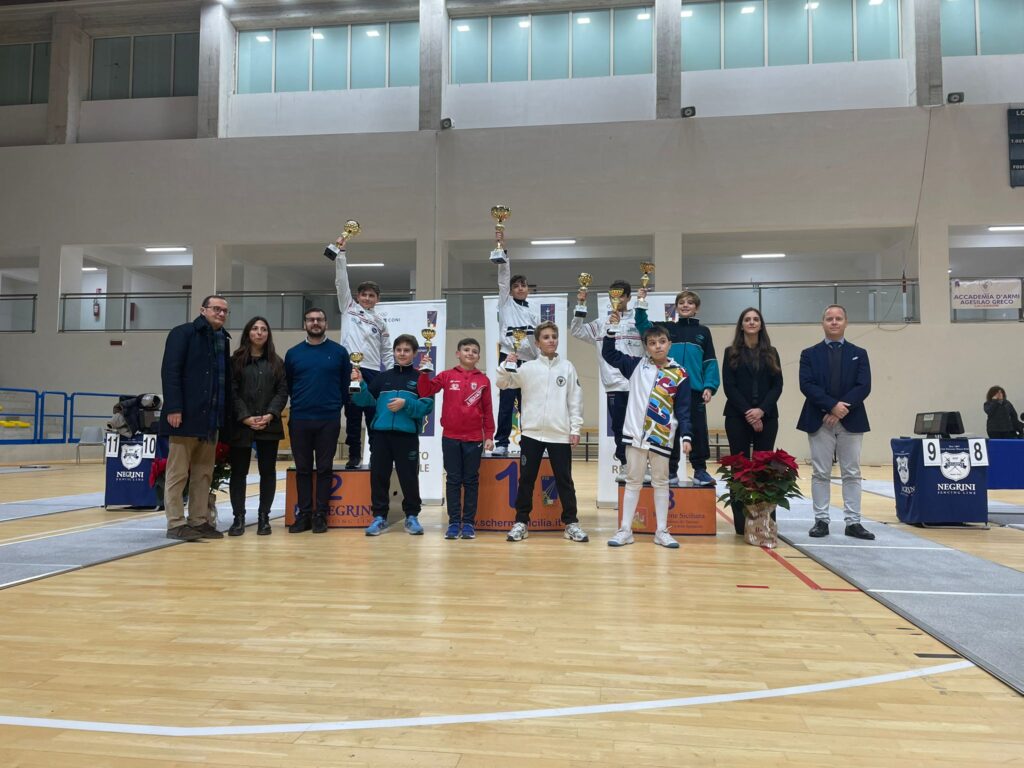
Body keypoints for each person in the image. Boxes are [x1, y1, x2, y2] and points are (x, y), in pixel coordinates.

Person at [602, 320, 692, 549]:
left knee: (661, 482)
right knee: (633, 482)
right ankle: (625, 530)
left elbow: (683, 409)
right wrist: (611, 331)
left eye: (662, 341)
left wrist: (686, 435)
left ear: (669, 344)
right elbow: (609, 354)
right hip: (635, 437)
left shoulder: (680, 374)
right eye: (652, 343)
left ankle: (661, 531)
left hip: (661, 437)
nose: (658, 346)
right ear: (646, 346)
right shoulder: (635, 366)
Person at [497, 321, 588, 543]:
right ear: (537, 343)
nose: (551, 340)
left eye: (554, 337)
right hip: (531, 435)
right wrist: (505, 365)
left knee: (565, 480)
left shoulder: (567, 367)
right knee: (526, 480)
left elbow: (575, 400)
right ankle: (521, 522)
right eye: (546, 337)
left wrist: (575, 428)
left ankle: (571, 523)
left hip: (560, 434)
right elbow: (503, 383)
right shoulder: (527, 368)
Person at [159, 295, 233, 541]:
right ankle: (175, 523)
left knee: (203, 473)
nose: (221, 313)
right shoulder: (183, 333)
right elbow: (171, 371)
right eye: (216, 309)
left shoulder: (223, 339)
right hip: (184, 417)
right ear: (203, 310)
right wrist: (174, 408)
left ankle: (199, 520)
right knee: (178, 473)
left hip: (211, 420)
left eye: (224, 311)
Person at [797, 304, 874, 540]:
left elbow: (864, 385)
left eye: (838, 318)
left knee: (852, 472)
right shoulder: (809, 354)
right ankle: (821, 520)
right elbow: (806, 384)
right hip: (819, 418)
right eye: (829, 318)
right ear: (822, 323)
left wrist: (841, 409)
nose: (834, 322)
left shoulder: (859, 353)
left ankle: (853, 522)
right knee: (821, 472)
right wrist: (831, 406)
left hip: (852, 419)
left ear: (845, 322)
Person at [635, 289, 719, 487]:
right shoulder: (666, 328)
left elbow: (710, 361)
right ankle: (670, 471)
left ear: (696, 308)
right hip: (668, 390)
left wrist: (709, 386)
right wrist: (641, 302)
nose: (685, 305)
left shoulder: (703, 332)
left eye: (690, 302)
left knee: (698, 430)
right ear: (676, 307)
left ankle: (700, 470)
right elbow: (642, 326)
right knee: (669, 429)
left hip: (694, 390)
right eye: (681, 302)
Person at [352, 334, 434, 537]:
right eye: (399, 350)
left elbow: (427, 406)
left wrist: (406, 404)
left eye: (407, 350)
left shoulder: (420, 378)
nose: (402, 354)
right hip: (381, 436)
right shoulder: (383, 377)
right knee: (379, 476)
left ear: (414, 354)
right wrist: (360, 385)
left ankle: (412, 516)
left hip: (406, 437)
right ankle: (379, 517)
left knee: (409, 477)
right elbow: (364, 401)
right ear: (394, 352)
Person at [417, 338, 495, 540]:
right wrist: (424, 373)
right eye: (466, 349)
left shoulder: (484, 380)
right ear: (458, 354)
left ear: (478, 357)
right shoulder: (446, 375)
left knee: (471, 480)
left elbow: (488, 410)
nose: (470, 353)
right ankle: (453, 523)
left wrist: (489, 435)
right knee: (453, 480)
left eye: (474, 351)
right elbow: (425, 391)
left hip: (474, 438)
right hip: (450, 437)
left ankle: (468, 523)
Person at [327, 233, 393, 469]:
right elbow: (341, 282)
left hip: (373, 372)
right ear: (357, 296)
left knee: (374, 415)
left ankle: (376, 456)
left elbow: (387, 351)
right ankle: (354, 456)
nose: (367, 298)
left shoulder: (381, 322)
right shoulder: (348, 308)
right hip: (351, 369)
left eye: (371, 295)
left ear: (377, 299)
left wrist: (392, 374)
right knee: (353, 416)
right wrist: (341, 254)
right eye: (363, 294)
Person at [284, 307, 352, 534]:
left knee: (324, 468)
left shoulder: (339, 352)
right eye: (311, 319)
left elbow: (345, 385)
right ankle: (304, 515)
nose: (315, 323)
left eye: (319, 319)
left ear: (326, 323)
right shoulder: (293, 354)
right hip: (300, 419)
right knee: (302, 469)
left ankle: (320, 515)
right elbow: (289, 385)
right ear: (305, 324)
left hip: (328, 420)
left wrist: (334, 407)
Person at [570, 279, 642, 480]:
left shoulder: (639, 322)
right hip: (614, 385)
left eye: (621, 295)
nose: (616, 299)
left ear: (628, 297)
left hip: (638, 384)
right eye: (613, 295)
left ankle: (642, 465)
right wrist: (581, 304)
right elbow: (576, 331)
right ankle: (625, 464)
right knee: (619, 428)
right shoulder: (601, 323)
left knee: (640, 427)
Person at [722, 308, 784, 535]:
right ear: (741, 325)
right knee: (739, 468)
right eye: (747, 319)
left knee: (764, 469)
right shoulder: (730, 352)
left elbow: (778, 386)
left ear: (761, 324)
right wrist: (749, 412)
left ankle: (765, 520)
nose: (751, 322)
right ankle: (741, 523)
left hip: (767, 416)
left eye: (755, 319)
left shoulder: (772, 352)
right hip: (737, 416)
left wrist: (761, 411)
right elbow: (729, 386)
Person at [227, 316, 288, 537]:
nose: (259, 332)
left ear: (268, 334)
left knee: (268, 473)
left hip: (268, 425)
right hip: (241, 425)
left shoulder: (277, 362)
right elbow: (231, 392)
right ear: (248, 333)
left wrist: (270, 414)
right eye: (255, 328)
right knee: (238, 473)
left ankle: (264, 518)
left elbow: (282, 392)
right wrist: (244, 417)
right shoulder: (235, 361)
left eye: (263, 329)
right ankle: (238, 518)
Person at [492, 226, 539, 456]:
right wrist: (502, 249)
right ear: (510, 290)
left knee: (528, 402)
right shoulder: (505, 303)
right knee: (507, 401)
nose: (520, 288)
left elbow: (537, 341)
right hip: (509, 356)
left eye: (523, 285)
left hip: (528, 360)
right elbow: (503, 278)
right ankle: (501, 442)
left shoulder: (533, 313)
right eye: (516, 286)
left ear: (528, 290)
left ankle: (528, 442)